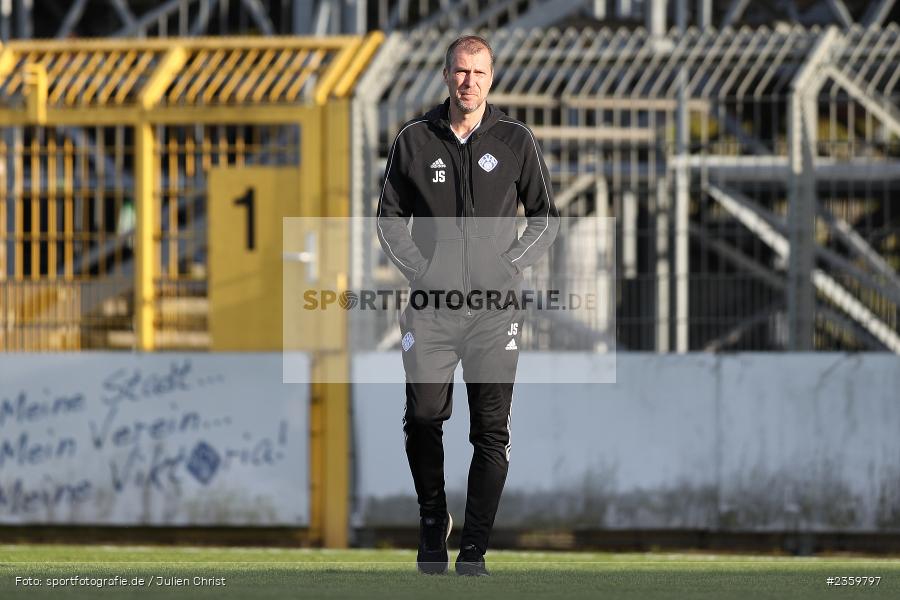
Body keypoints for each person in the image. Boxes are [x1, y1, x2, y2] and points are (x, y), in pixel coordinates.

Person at [376, 34, 559, 576]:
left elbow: (545, 216)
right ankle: (434, 521)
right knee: (424, 417)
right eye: (460, 72)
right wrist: (422, 272)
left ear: (492, 78)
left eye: (478, 73)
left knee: (491, 433)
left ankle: (474, 548)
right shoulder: (414, 139)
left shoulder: (515, 140)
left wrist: (509, 266)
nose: (469, 82)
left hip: (494, 312)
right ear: (445, 74)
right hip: (431, 311)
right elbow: (388, 219)